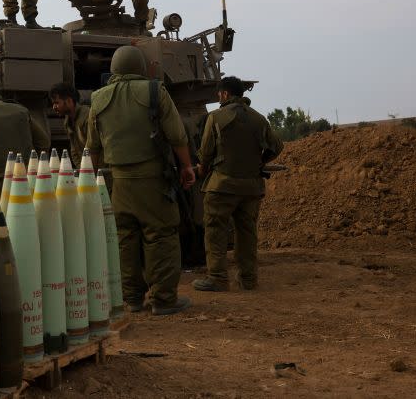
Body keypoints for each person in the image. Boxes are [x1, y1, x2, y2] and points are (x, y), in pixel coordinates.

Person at [86, 46, 195, 316]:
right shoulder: (155, 91)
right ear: (141, 67)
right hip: (152, 181)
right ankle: (163, 299)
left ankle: (132, 298)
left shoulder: (97, 99)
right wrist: (187, 167)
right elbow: (177, 136)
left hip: (118, 183)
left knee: (125, 238)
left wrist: (88, 183)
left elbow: (93, 148)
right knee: (160, 236)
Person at [192, 77, 284, 292]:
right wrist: (260, 162)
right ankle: (248, 279)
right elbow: (277, 146)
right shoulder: (259, 119)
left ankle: (217, 278)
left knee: (216, 230)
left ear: (224, 94)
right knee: (247, 233)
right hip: (251, 187)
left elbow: (206, 154)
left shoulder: (215, 117)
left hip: (222, 186)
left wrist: (202, 169)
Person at [49, 82, 90, 164]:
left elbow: (95, 148)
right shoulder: (68, 121)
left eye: (56, 103)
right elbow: (74, 151)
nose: (54, 107)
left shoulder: (87, 117)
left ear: (69, 101)